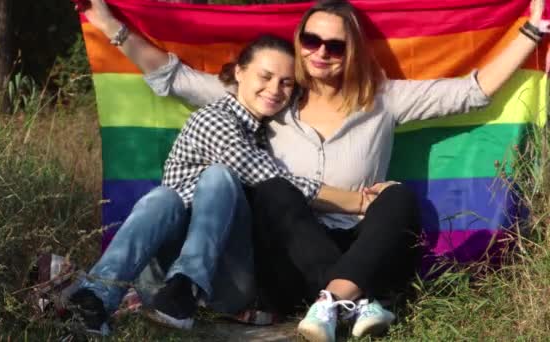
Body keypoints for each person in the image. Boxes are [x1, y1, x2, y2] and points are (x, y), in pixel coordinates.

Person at [78, 0, 547, 339]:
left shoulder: (383, 101)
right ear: (300, 45)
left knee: (399, 196)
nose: (321, 52)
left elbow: (472, 91)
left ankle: (337, 298)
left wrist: (531, 31)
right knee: (277, 192)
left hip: (364, 253)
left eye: (335, 45)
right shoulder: (273, 100)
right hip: (288, 257)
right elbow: (174, 77)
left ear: (352, 51)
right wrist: (107, 22)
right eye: (312, 40)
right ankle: (350, 305)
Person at [67, 32, 378, 336]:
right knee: (170, 196)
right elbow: (260, 172)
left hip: (226, 281)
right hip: (167, 278)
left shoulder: (269, 133)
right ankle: (97, 296)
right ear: (239, 72)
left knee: (192, 187)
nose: (275, 89)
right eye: (265, 76)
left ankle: (179, 288)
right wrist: (359, 201)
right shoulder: (214, 119)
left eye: (286, 82)